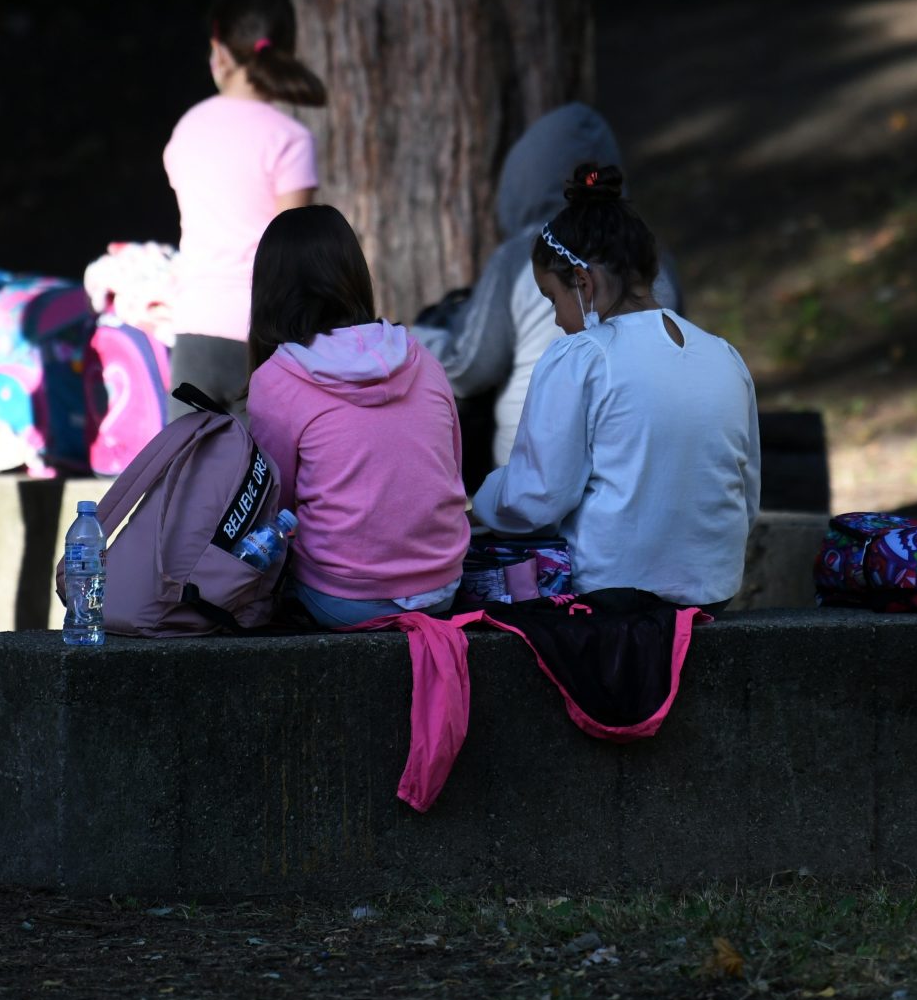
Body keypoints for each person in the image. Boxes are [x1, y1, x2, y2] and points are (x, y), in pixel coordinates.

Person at [471, 164, 759, 608]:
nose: (556, 319)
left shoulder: (583, 357)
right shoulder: (725, 356)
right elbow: (746, 494)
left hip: (613, 596)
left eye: (553, 298)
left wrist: (485, 499)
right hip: (714, 590)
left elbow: (537, 498)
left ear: (582, 281)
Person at [414, 103, 680, 471]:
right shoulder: (651, 253)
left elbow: (468, 368)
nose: (557, 320)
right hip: (638, 463)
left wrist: (418, 337)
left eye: (552, 299)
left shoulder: (522, 257)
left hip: (531, 469)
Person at [245, 207, 469, 629]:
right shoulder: (422, 358)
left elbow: (275, 507)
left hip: (344, 597)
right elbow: (450, 469)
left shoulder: (277, 379)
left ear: (269, 288)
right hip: (443, 586)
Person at [162, 0, 323, 420]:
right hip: (262, 338)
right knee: (265, 465)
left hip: (193, 328)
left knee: (188, 463)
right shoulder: (290, 138)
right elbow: (293, 250)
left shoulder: (188, 129)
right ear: (286, 51)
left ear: (219, 51)